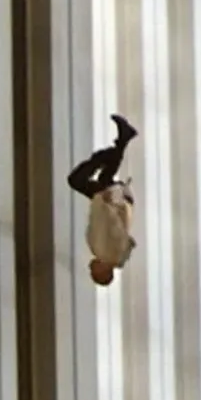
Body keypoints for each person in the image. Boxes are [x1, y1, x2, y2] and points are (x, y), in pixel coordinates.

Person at [67, 114, 139, 286]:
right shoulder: (111, 253)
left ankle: (121, 142)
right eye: (94, 272)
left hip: (110, 202)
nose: (90, 268)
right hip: (113, 202)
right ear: (104, 272)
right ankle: (118, 145)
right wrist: (108, 205)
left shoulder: (103, 252)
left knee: (103, 177)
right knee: (78, 180)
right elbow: (116, 229)